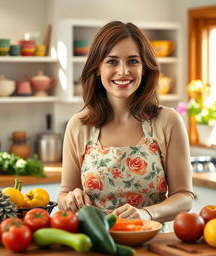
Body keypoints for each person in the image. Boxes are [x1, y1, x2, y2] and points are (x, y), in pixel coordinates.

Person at [57, 20, 194, 225]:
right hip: (95, 242)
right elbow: (64, 193)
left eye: (133, 61)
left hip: (150, 242)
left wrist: (147, 213)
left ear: (145, 68)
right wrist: (70, 199)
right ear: (97, 69)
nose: (123, 71)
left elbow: (184, 196)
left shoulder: (168, 121)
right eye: (112, 61)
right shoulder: (79, 125)